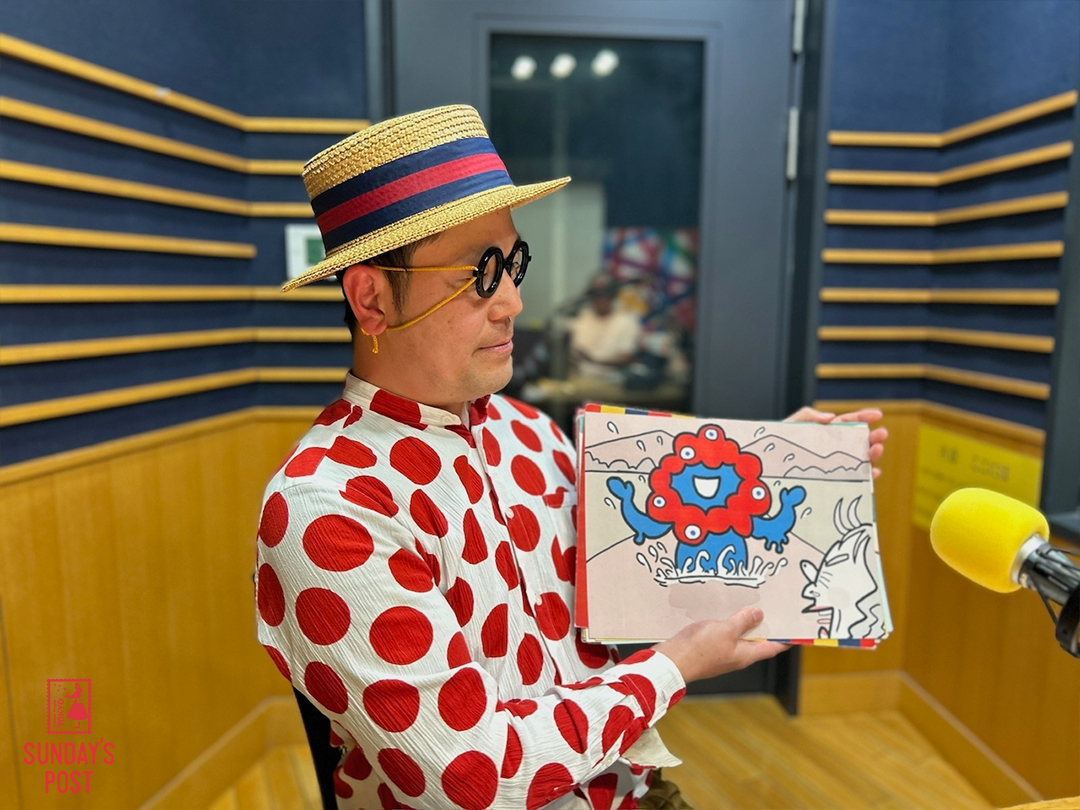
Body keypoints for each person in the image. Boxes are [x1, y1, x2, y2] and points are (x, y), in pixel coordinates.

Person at [255, 105, 887, 810]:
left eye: (513, 264)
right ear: (371, 298)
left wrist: (772, 463)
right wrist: (673, 667)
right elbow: (471, 778)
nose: (514, 302)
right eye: (479, 274)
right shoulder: (326, 507)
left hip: (628, 787)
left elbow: (648, 559)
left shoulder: (528, 431)